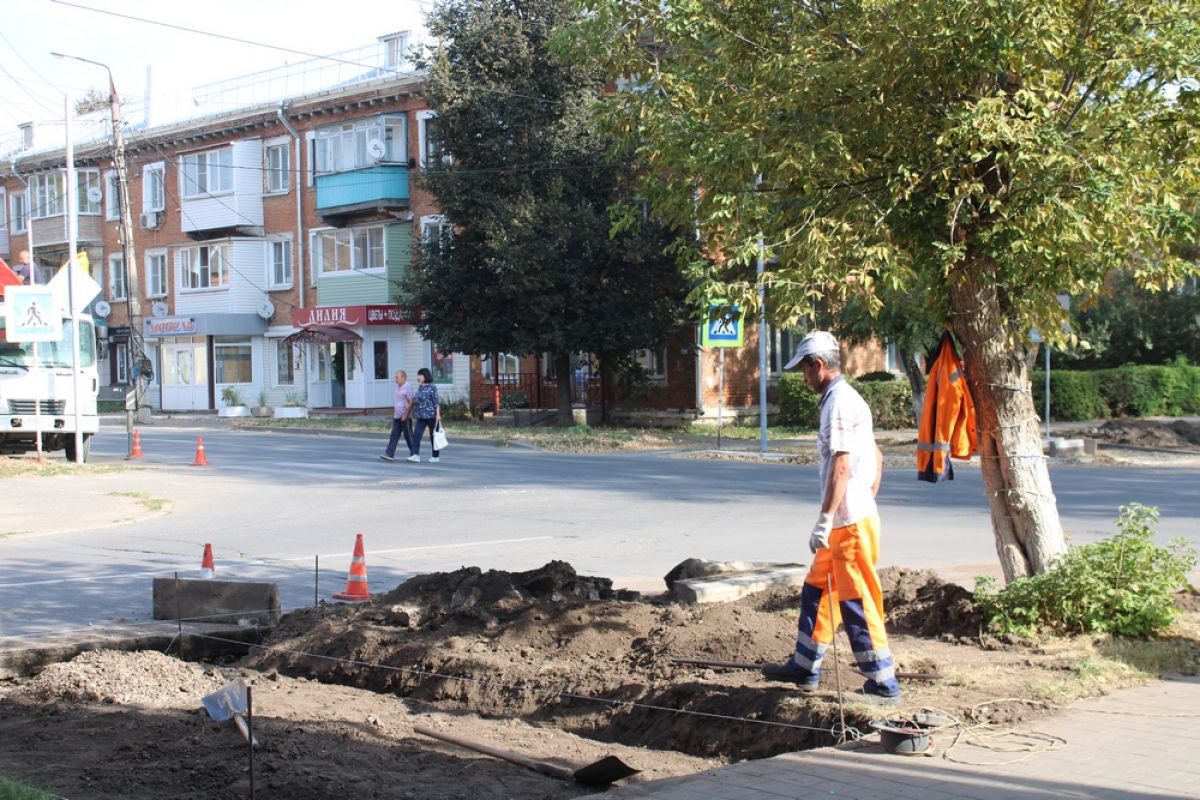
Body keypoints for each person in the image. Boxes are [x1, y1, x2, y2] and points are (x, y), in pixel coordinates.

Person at [761, 331, 901, 703]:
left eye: (804, 370)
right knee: (817, 590)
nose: (803, 378)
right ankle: (805, 666)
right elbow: (877, 456)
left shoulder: (838, 403)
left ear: (818, 365)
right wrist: (862, 498)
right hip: (849, 519)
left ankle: (882, 683)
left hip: (848, 524)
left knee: (856, 600)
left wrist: (827, 518)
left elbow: (841, 465)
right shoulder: (845, 399)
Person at [380, 369, 415, 462]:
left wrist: (406, 414)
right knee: (394, 435)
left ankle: (414, 454)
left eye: (397, 377)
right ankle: (389, 454)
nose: (395, 379)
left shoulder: (407, 387)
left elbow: (411, 401)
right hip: (397, 416)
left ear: (403, 377)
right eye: (395, 377)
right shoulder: (398, 387)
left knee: (408, 436)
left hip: (405, 416)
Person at [407, 367, 441, 463]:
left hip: (431, 416)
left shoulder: (432, 387)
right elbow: (417, 400)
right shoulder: (420, 387)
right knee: (416, 435)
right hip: (420, 416)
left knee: (433, 436)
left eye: (420, 375)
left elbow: (436, 402)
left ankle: (435, 456)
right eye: (418, 375)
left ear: (425, 376)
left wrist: (438, 414)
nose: (418, 377)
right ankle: (415, 455)